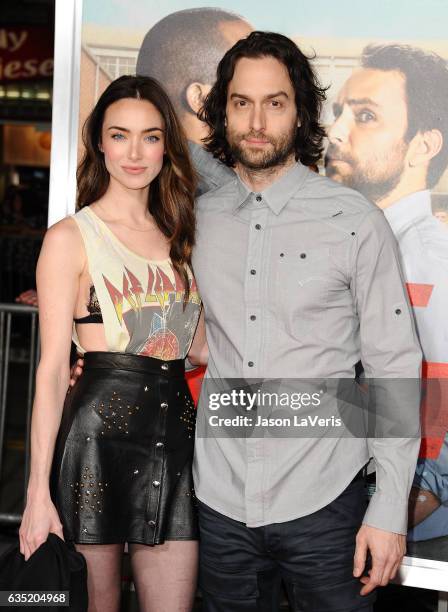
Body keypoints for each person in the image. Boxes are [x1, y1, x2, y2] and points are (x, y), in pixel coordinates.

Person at [187, 31, 422, 611]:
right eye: (241, 102)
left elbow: (395, 364)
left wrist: (389, 510)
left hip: (326, 499)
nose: (257, 120)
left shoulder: (354, 220)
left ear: (301, 112)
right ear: (222, 110)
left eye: (276, 102)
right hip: (219, 501)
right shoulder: (196, 221)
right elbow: (157, 315)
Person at [19, 75, 206, 612]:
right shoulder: (70, 238)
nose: (134, 151)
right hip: (95, 441)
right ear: (99, 142)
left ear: (166, 144)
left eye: (150, 136)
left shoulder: (181, 236)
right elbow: (53, 370)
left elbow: (200, 349)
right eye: (119, 135)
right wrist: (36, 494)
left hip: (174, 438)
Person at [325, 44, 448, 541]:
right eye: (338, 113)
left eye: (365, 116)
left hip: (403, 533)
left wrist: (429, 488)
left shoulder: (430, 259)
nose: (334, 132)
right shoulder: (346, 242)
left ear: (423, 146)